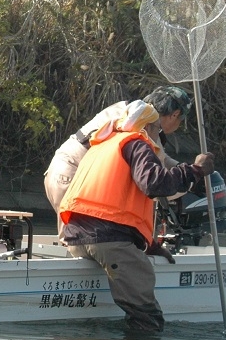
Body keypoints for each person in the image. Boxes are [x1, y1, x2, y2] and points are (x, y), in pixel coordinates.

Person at [58, 99, 213, 334]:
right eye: (156, 129)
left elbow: (113, 204)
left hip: (77, 237)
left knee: (134, 266)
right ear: (147, 127)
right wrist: (195, 171)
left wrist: (149, 244)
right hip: (106, 239)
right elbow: (154, 184)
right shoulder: (137, 143)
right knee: (147, 317)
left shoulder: (103, 143)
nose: (157, 135)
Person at [44, 86, 194, 234]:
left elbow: (161, 159)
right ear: (175, 114)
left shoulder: (132, 111)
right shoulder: (140, 125)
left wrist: (183, 167)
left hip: (60, 169)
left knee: (81, 242)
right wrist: (192, 180)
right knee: (79, 240)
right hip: (73, 176)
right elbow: (155, 183)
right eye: (180, 120)